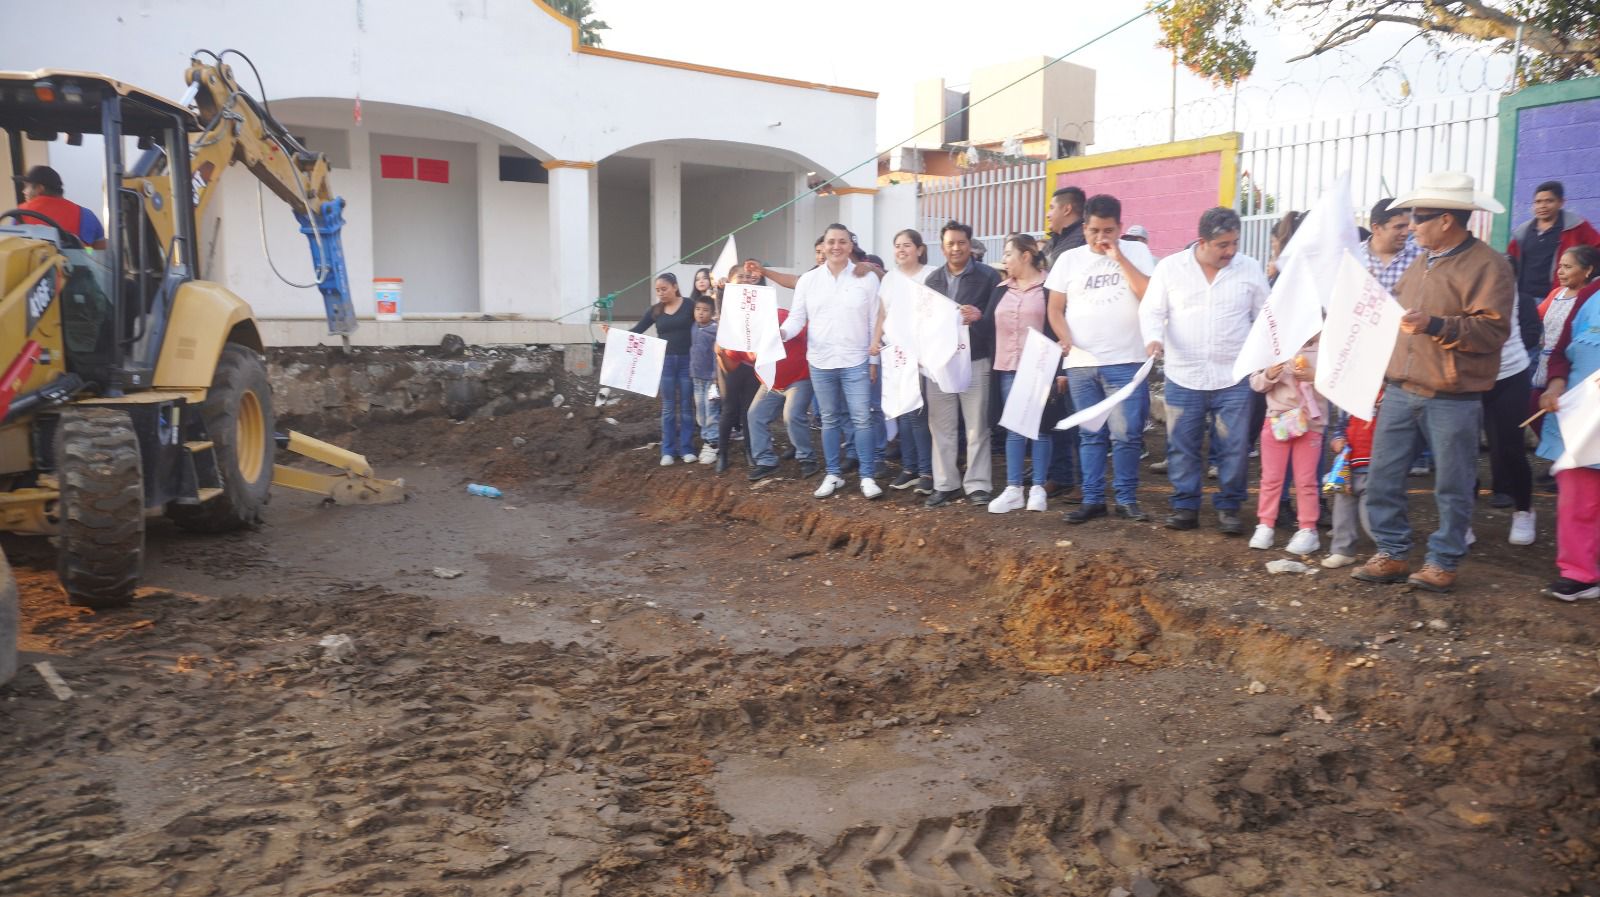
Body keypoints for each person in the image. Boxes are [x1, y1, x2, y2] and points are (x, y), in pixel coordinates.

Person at [1353, 172, 1514, 593]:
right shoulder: (1420, 261)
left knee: (1452, 484)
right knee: (1384, 476)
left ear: (1446, 220)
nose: (1411, 225)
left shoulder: (1489, 266)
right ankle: (1392, 551)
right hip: (1402, 389)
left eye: (1419, 217)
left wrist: (1436, 324)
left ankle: (1443, 560)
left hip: (1452, 395)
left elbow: (1493, 331)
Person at [1139, 207, 1271, 534]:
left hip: (1234, 377)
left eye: (1234, 243)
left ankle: (1229, 507)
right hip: (1184, 375)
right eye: (1223, 245)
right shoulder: (1171, 268)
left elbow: (1264, 317)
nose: (1230, 251)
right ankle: (1185, 506)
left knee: (1234, 446)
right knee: (1182, 444)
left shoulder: (1250, 269)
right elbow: (1152, 311)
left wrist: (1263, 357)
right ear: (1203, 241)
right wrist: (1153, 339)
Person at [1046, 193, 1156, 524]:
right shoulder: (1069, 259)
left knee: (1126, 434)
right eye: (1094, 231)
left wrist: (1118, 256)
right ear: (1084, 226)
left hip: (1127, 361)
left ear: (1119, 227)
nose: (1100, 238)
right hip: (1081, 363)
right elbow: (1054, 308)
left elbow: (1148, 294)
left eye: (1108, 230)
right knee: (1090, 434)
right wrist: (1063, 334)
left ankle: (1125, 498)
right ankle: (1093, 498)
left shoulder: (1137, 251)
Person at [780, 223, 882, 499]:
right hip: (821, 360)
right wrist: (782, 333)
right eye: (831, 242)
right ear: (823, 247)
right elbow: (797, 316)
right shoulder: (809, 281)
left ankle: (867, 476)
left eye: (842, 242)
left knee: (862, 419)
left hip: (856, 359)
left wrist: (875, 360)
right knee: (828, 419)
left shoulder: (866, 278)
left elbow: (875, 320)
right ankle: (833, 473)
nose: (836, 247)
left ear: (851, 246)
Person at [923, 221, 1002, 508]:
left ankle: (978, 484)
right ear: (942, 248)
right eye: (950, 244)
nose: (956, 248)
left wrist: (980, 316)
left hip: (975, 359)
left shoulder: (989, 277)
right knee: (941, 426)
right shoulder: (932, 281)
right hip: (940, 363)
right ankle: (945, 483)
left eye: (961, 243)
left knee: (977, 425)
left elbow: (998, 318)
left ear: (970, 245)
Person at [1535, 272, 1600, 601]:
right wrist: (1557, 384)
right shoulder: (1590, 295)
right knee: (1577, 496)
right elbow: (1560, 351)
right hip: (1584, 415)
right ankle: (1579, 573)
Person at [985, 233, 1055, 513]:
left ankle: (1038, 488)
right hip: (1006, 367)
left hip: (1039, 368)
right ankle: (1014, 488)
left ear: (1026, 256)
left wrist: (1058, 370)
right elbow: (988, 326)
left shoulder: (1049, 288)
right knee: (1014, 428)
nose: (1004, 260)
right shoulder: (1001, 289)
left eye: (1008, 254)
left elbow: (1056, 326)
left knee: (1040, 429)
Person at [604, 274, 697, 465]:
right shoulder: (655, 311)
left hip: (688, 361)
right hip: (666, 363)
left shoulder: (689, 305)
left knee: (687, 407)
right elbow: (638, 330)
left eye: (664, 289)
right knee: (669, 407)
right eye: (658, 290)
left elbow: (703, 322)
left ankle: (687, 448)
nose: (661, 293)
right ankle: (668, 451)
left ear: (675, 287)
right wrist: (614, 334)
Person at [870, 228, 936, 493]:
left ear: (919, 249)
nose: (901, 250)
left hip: (921, 355)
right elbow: (882, 315)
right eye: (897, 245)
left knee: (918, 414)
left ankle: (927, 472)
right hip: (894, 355)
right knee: (902, 414)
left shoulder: (931, 275)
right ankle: (909, 468)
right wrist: (875, 341)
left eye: (907, 245)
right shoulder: (889, 280)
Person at [1248, 344, 1328, 554]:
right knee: (1271, 478)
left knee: (1306, 480)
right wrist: (1269, 374)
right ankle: (1265, 525)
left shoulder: (1327, 346)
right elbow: (1256, 383)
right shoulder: (1275, 344)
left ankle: (1308, 530)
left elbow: (1337, 382)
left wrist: (1315, 375)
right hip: (1277, 420)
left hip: (1311, 422)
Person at [1509, 180, 1600, 353]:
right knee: (1528, 345)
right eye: (1538, 202)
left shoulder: (1576, 227)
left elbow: (1596, 252)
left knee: (1555, 345)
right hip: (1526, 299)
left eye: (1548, 201)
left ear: (1561, 203)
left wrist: (1590, 284)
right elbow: (1510, 262)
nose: (1542, 206)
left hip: (1558, 297)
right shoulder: (1523, 232)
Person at [1041, 186, 1087, 498]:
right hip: (1054, 339)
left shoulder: (1077, 247)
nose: (1048, 213)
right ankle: (1062, 473)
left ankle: (1083, 480)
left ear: (1067, 209)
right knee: (1057, 412)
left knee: (1076, 413)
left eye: (1052, 207)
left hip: (1071, 343)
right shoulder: (1058, 244)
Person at [1482, 302, 1536, 543]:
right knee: (1455, 450)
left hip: (1510, 374)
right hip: (1464, 375)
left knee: (1511, 447)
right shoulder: (1451, 271)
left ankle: (1523, 510)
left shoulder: (1505, 281)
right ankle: (1456, 522)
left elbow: (1531, 332)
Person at [746, 299, 816, 482]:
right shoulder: (744, 331)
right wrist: (721, 351)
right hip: (771, 383)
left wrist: (783, 332)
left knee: (791, 415)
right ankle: (766, 461)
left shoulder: (782, 316)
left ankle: (807, 458)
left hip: (799, 379)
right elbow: (732, 356)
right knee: (754, 415)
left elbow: (804, 329)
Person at [1533, 246, 1600, 429]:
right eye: (1560, 266)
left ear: (1588, 270)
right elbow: (1536, 318)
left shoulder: (1590, 299)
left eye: (1568, 267)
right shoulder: (1557, 293)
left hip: (1570, 373)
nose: (1560, 272)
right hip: (1547, 365)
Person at [712, 264, 766, 473]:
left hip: (751, 361)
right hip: (729, 360)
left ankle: (749, 452)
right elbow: (721, 300)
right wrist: (721, 289)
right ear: (730, 281)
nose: (744, 280)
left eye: (747, 277)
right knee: (729, 408)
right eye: (739, 277)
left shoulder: (758, 300)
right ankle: (722, 454)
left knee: (748, 410)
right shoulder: (726, 299)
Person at [1323, 395, 1380, 569]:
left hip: (1374, 466)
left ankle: (1388, 550)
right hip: (1347, 466)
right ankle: (1342, 550)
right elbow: (1340, 427)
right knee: (1342, 512)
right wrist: (1337, 441)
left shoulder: (1386, 399)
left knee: (1371, 515)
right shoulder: (1351, 398)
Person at [12, 165, 107, 249]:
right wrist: (86, 252)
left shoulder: (20, 214)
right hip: (72, 268)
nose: (24, 191)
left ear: (39, 188)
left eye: (27, 186)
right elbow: (101, 255)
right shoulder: (86, 215)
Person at [689, 295, 720, 463]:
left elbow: (717, 356)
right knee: (700, 412)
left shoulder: (715, 330)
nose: (701, 313)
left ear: (712, 313)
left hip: (711, 380)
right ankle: (706, 439)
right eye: (698, 309)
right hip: (696, 378)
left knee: (711, 412)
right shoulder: (694, 327)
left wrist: (716, 377)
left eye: (705, 310)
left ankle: (713, 443)